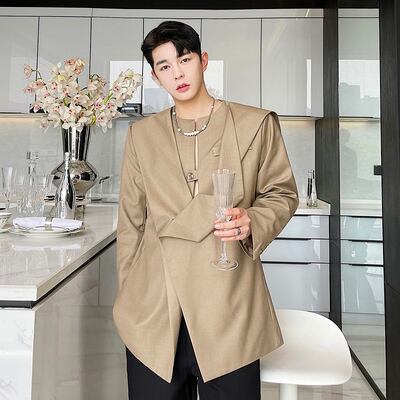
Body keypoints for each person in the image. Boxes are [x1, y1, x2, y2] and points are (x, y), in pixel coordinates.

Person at [113, 20, 299, 400]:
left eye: (184, 59)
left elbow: (282, 193)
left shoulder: (255, 124)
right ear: (155, 76)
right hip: (156, 309)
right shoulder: (141, 136)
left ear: (204, 61)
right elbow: (131, 222)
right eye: (165, 66)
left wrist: (253, 219)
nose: (177, 73)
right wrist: (130, 293)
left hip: (228, 306)